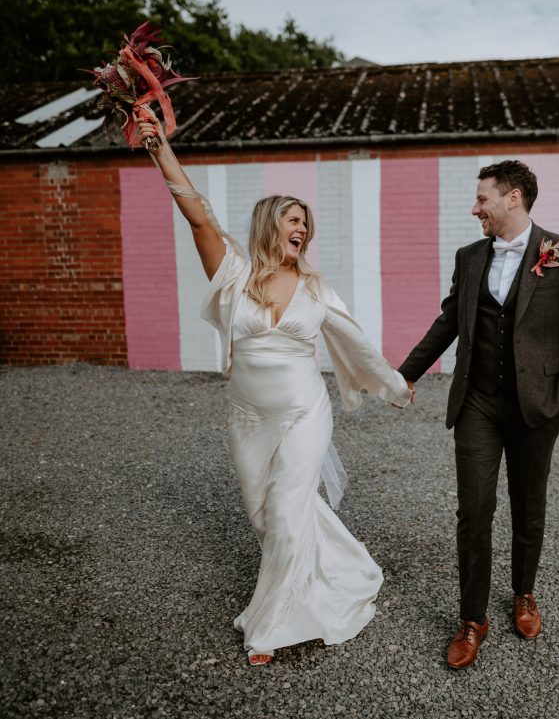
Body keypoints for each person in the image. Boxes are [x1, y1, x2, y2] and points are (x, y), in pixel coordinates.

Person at [135, 108, 412, 666]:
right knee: (267, 517)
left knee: (287, 510)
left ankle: (272, 627)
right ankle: (336, 575)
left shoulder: (315, 287)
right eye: (293, 219)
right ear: (269, 225)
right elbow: (197, 219)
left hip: (304, 412)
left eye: (306, 222)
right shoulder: (233, 275)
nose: (303, 228)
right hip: (247, 418)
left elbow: (355, 342)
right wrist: (158, 147)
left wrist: (394, 385)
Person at [399, 160, 559, 669]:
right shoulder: (469, 258)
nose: (475, 208)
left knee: (528, 508)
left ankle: (524, 593)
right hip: (478, 404)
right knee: (474, 510)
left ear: (513, 198)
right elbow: (449, 321)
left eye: (482, 198)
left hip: (537, 406)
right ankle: (472, 619)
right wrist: (404, 375)